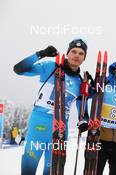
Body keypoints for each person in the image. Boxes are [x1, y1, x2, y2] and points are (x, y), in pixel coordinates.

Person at [13, 39, 91, 175]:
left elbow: (83, 113)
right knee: (28, 169)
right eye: (73, 51)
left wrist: (84, 121)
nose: (77, 55)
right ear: (67, 53)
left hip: (61, 130)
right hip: (39, 125)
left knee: (52, 171)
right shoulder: (51, 67)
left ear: (84, 58)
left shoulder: (80, 82)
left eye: (81, 53)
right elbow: (18, 69)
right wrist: (41, 53)